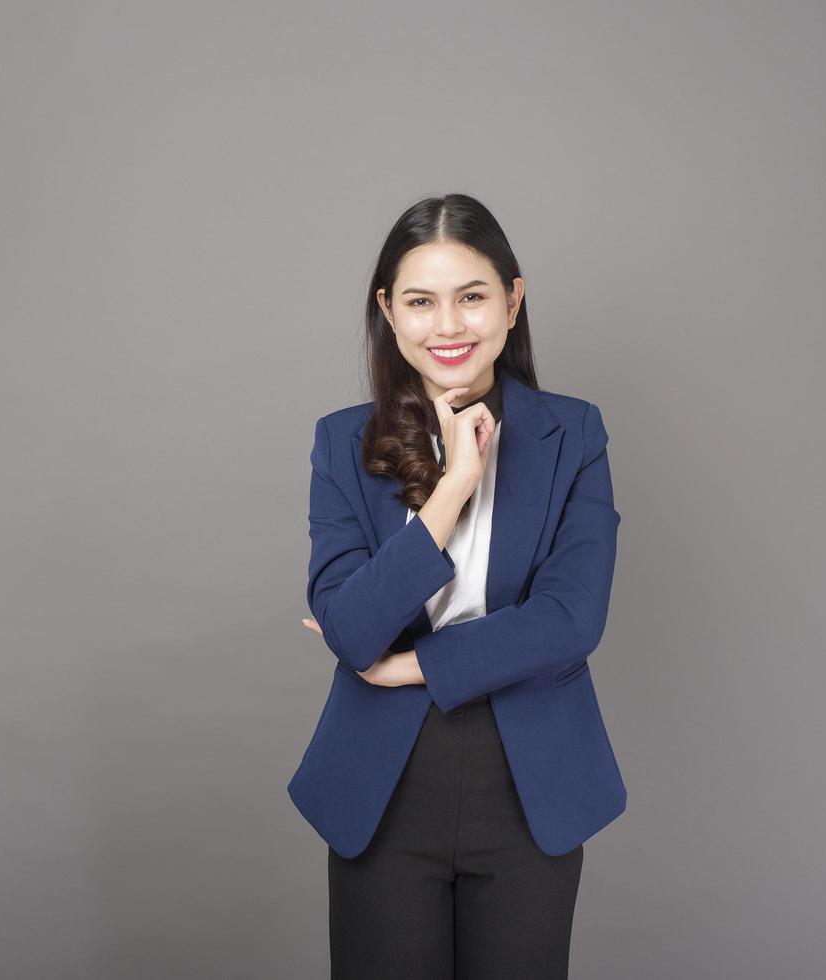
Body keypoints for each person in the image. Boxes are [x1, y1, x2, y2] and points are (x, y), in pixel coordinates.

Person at [287, 192, 626, 979]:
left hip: (532, 777)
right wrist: (453, 488)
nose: (448, 326)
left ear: (512, 298)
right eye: (420, 302)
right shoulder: (342, 442)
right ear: (388, 311)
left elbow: (571, 619)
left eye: (472, 297)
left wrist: (413, 665)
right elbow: (350, 626)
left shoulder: (573, 432)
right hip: (382, 782)